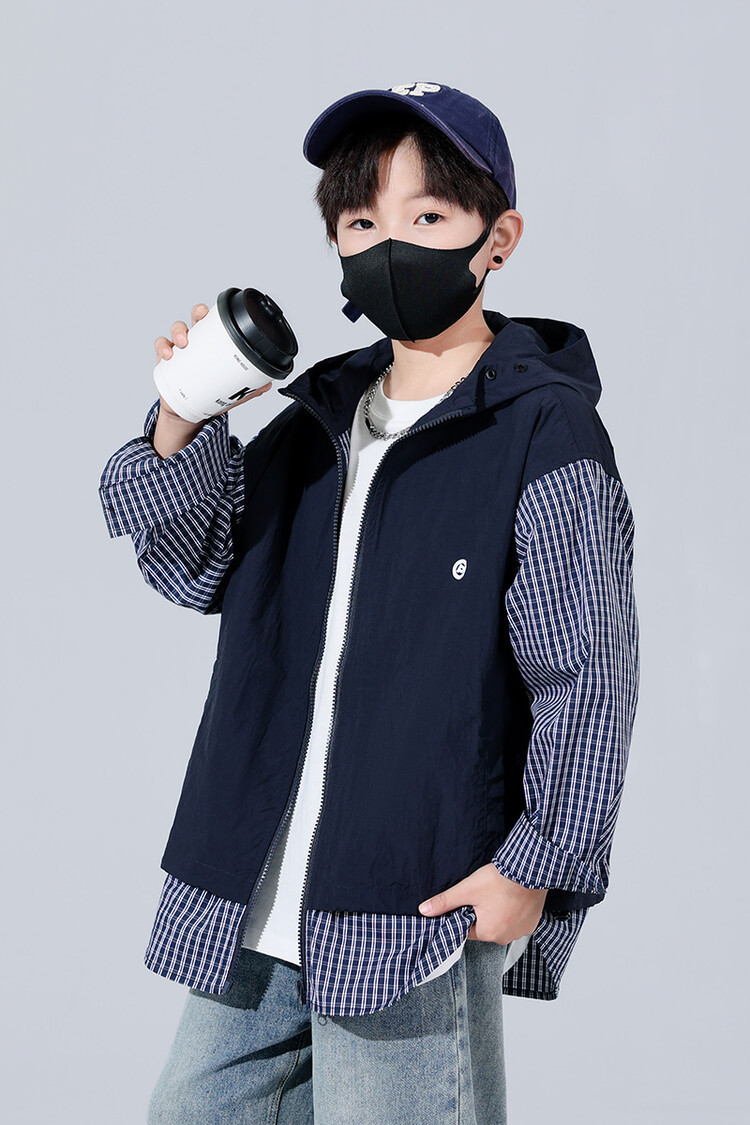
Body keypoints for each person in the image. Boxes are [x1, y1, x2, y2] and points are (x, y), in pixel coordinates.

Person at [99, 81, 640, 1125]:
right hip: (258, 891)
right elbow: (193, 570)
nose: (388, 245)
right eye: (360, 222)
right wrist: (182, 419)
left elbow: (587, 673)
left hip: (414, 902)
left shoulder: (544, 434)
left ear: (498, 237)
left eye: (426, 217)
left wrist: (536, 865)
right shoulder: (315, 419)